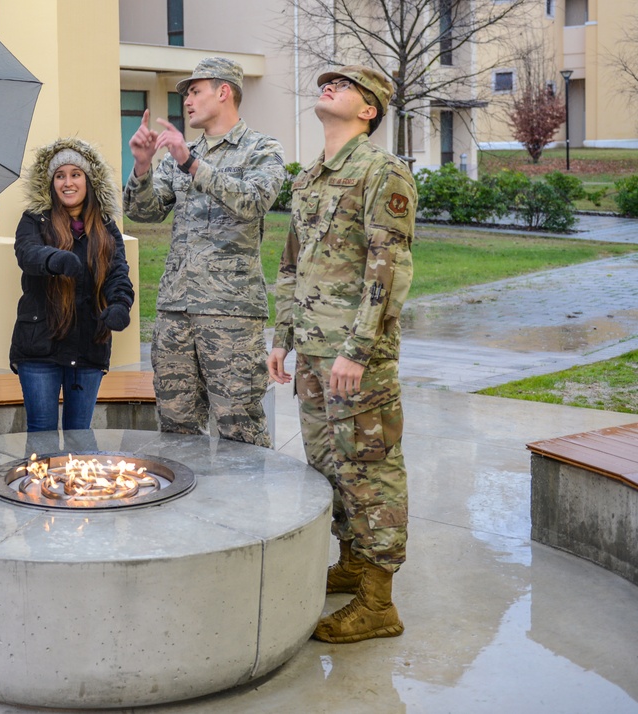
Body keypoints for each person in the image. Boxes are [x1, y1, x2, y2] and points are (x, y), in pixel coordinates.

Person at [266, 65, 416, 643]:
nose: (327, 86)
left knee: (372, 469)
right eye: (326, 82)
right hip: (311, 353)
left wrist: (355, 351)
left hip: (356, 359)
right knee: (330, 465)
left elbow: (388, 271)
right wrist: (282, 338)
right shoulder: (310, 179)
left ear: (368, 110)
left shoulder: (384, 172)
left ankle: (379, 603)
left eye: (343, 85)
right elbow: (290, 265)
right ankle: (352, 563)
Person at [123, 57, 285, 447]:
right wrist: (142, 167)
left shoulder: (261, 149)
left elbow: (253, 201)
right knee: (176, 428)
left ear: (224, 91)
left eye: (195, 91)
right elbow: (142, 212)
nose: (188, 102)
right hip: (175, 310)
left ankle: (245, 510)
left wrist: (192, 164)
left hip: (230, 314)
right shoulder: (180, 153)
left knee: (239, 429)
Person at [10, 137, 134, 432]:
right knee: (42, 433)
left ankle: (80, 481)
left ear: (89, 181)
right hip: (40, 344)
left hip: (89, 343)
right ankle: (40, 481)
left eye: (75, 174)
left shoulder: (106, 227)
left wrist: (120, 305)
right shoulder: (34, 220)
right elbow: (26, 253)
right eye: (60, 175)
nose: (68, 182)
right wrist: (56, 259)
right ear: (50, 182)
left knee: (80, 434)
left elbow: (118, 272)